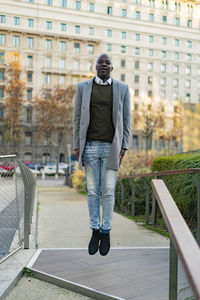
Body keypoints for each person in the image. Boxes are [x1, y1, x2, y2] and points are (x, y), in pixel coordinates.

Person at [73, 54, 131, 256]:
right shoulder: (83, 88)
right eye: (100, 62)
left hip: (111, 148)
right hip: (88, 147)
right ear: (95, 67)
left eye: (107, 63)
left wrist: (124, 146)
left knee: (107, 191)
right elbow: (77, 118)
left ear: (112, 68)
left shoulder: (122, 89)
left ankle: (106, 231)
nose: (103, 65)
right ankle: (94, 229)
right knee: (91, 191)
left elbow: (126, 119)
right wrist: (75, 146)